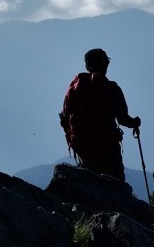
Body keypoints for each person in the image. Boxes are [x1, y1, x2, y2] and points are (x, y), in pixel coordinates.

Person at [59, 48, 141, 180]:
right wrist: (135, 123)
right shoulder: (111, 89)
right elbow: (122, 118)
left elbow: (65, 115)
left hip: (83, 147)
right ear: (106, 65)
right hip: (107, 146)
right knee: (116, 184)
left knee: (90, 183)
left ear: (87, 65)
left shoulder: (76, 87)